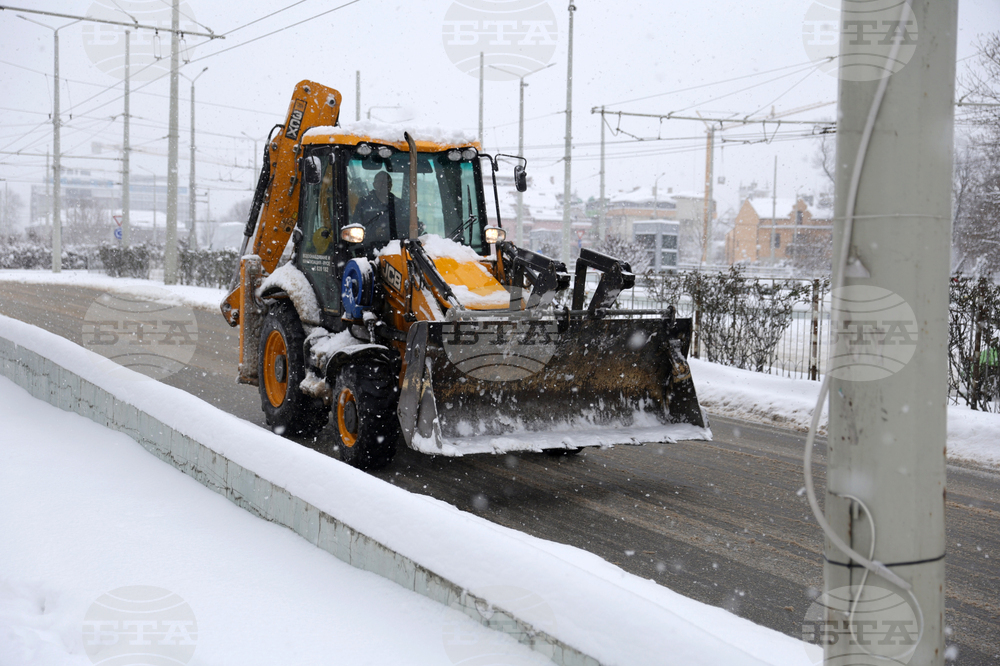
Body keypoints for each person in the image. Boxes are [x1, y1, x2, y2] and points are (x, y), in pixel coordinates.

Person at [353, 171, 397, 247]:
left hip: (396, 248)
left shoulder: (399, 204)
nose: (384, 184)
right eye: (380, 181)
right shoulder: (363, 203)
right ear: (374, 184)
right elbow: (355, 229)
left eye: (387, 182)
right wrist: (373, 233)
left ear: (391, 185)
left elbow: (408, 226)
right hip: (367, 248)